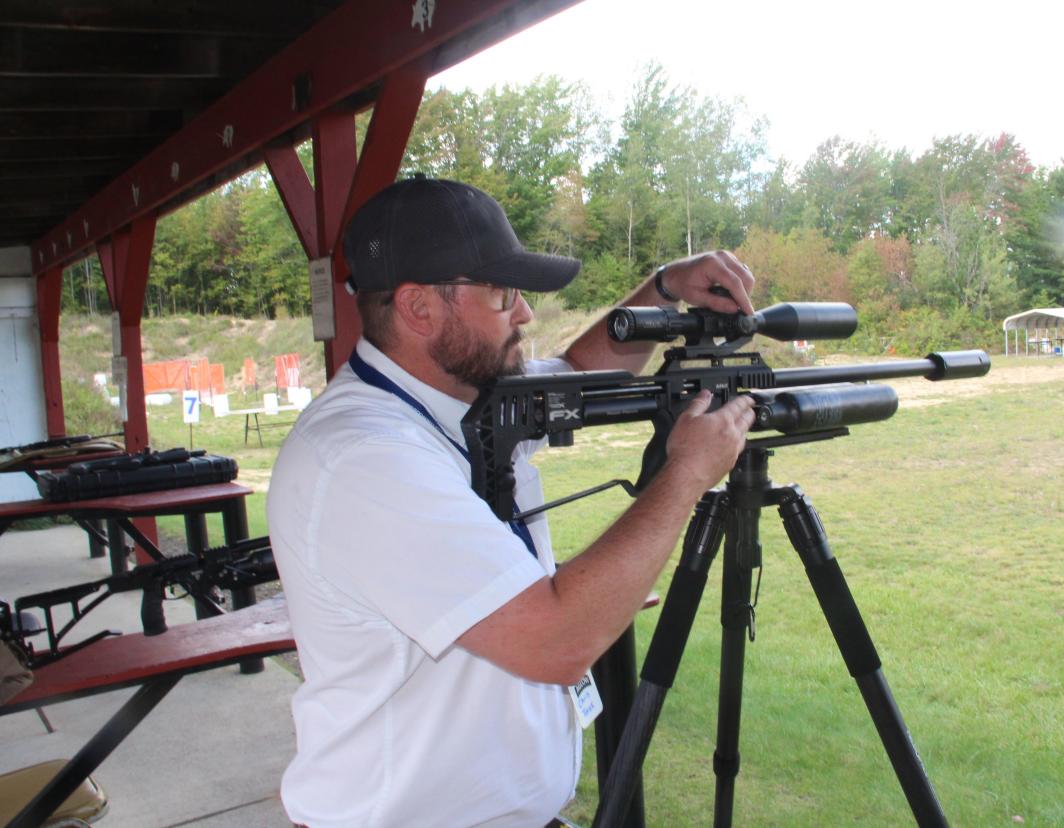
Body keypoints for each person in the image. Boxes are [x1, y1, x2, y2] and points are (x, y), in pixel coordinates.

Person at [268, 174, 757, 827]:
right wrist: (687, 473)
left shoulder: (460, 399)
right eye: (502, 294)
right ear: (419, 309)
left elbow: (581, 374)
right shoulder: (365, 455)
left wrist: (664, 288)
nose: (524, 312)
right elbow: (555, 642)